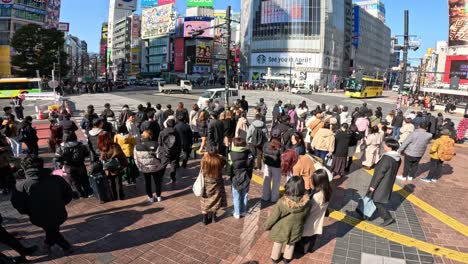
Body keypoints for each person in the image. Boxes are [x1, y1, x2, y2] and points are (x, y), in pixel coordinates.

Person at [11, 156, 74, 254]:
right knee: (52, 229)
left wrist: (29, 211)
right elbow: (68, 195)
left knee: (50, 229)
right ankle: (54, 245)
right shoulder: (57, 179)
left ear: (24, 168)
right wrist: (60, 204)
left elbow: (18, 204)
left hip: (38, 216)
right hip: (58, 212)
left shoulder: (21, 185)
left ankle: (59, 245)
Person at [265, 176, 311, 264]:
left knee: (278, 242)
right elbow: (306, 216)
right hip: (296, 228)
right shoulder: (307, 202)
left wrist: (266, 226)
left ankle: (275, 258)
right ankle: (287, 258)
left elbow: (274, 217)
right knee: (291, 243)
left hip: (281, 228)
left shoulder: (282, 202)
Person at [367, 138, 401, 227]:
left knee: (376, 201)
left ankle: (387, 218)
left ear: (389, 147)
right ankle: (365, 214)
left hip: (381, 183)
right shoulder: (397, 158)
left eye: (385, 145)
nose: (383, 146)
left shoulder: (386, 158)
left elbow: (380, 173)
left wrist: (373, 186)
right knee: (375, 199)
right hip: (388, 182)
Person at [299, 169, 332, 253]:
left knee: (306, 236)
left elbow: (309, 209)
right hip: (318, 218)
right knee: (313, 235)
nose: (312, 182)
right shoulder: (328, 190)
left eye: (313, 180)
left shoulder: (317, 196)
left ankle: (303, 251)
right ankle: (310, 249)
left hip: (310, 219)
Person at [54, 133, 93, 198]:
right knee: (84, 180)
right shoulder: (80, 145)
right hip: (80, 165)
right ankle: (89, 193)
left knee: (74, 182)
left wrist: (61, 165)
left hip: (68, 167)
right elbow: (86, 153)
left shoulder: (60, 147)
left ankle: (80, 195)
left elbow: (56, 158)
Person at [226, 138, 254, 219]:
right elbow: (250, 166)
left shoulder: (230, 154)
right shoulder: (249, 153)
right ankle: (243, 211)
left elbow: (228, 170)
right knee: (245, 195)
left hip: (235, 177)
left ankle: (237, 213)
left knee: (236, 196)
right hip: (246, 177)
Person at [134, 130, 164, 203]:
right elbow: (160, 156)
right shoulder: (156, 144)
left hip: (145, 167)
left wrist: (139, 167)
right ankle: (159, 196)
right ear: (151, 136)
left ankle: (150, 197)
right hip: (155, 167)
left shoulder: (137, 146)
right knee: (157, 182)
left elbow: (136, 158)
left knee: (147, 182)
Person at [200, 147, 227, 224]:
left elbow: (201, 168)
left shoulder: (204, 160)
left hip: (206, 183)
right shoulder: (220, 160)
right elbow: (224, 161)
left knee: (204, 199)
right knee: (216, 199)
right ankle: (213, 217)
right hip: (217, 182)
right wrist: (219, 155)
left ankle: (204, 219)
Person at [98, 131, 127, 200]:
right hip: (116, 166)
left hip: (108, 167)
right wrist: (125, 163)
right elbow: (120, 154)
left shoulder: (101, 147)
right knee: (119, 181)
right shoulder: (114, 145)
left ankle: (114, 196)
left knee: (111, 182)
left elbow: (101, 157)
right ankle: (121, 196)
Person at [158, 119, 181, 183]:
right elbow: (179, 143)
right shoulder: (176, 132)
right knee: (173, 165)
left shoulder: (162, 132)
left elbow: (159, 143)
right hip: (174, 151)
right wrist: (179, 151)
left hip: (164, 151)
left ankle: (160, 178)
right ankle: (172, 177)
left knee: (163, 165)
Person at [262, 134, 283, 202]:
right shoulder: (280, 147)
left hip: (267, 165)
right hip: (277, 167)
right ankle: (274, 198)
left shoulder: (266, 144)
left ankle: (265, 196)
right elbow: (282, 157)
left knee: (266, 181)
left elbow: (263, 151)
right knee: (276, 183)